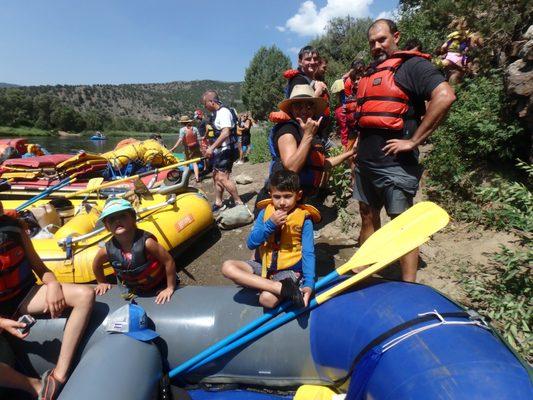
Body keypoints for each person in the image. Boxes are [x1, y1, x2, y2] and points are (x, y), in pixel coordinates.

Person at [353, 19, 456, 282]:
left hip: (396, 166)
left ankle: (409, 285)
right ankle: (365, 273)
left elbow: (445, 96)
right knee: (367, 216)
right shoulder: (370, 72)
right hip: (365, 164)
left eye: (382, 39)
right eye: (372, 42)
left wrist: (414, 141)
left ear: (395, 36)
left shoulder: (413, 66)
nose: (377, 46)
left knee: (403, 226)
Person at [0, 201, 94, 400]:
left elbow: (41, 269)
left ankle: (58, 376)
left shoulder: (14, 230)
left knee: (84, 295)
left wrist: (52, 285)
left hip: (22, 296)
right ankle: (35, 386)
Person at [222, 170, 320, 308]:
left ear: (298, 195)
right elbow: (251, 243)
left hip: (288, 270)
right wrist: (270, 225)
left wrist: (309, 284)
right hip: (263, 266)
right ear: (270, 195)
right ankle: (279, 288)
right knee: (227, 267)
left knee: (266, 299)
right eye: (277, 197)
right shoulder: (265, 213)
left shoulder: (305, 219)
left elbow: (308, 253)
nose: (281, 202)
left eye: (287, 196)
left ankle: (276, 286)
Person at [254, 85, 355, 215]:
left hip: (296, 202)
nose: (304, 110)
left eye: (309, 106)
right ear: (291, 109)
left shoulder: (309, 131)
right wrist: (308, 136)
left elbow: (322, 164)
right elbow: (291, 168)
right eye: (298, 106)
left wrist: (350, 153)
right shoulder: (287, 130)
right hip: (278, 205)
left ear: (313, 109)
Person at [92, 198, 177, 304]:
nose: (117, 221)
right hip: (133, 288)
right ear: (107, 226)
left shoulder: (147, 243)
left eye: (122, 216)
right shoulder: (106, 250)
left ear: (133, 218)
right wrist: (101, 282)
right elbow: (96, 265)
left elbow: (168, 261)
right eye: (112, 219)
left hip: (160, 283)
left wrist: (170, 287)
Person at [202, 90, 243, 211]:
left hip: (227, 150)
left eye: (205, 104)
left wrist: (212, 148)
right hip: (221, 150)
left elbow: (225, 133)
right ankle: (218, 202)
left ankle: (238, 202)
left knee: (222, 177)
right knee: (215, 176)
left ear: (211, 101)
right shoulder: (217, 113)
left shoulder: (223, 112)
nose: (205, 107)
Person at [170, 115, 202, 182]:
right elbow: (199, 139)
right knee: (194, 162)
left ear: (182, 123)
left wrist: (173, 148)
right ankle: (197, 178)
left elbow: (180, 139)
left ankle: (185, 177)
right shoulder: (195, 128)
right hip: (195, 147)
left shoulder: (182, 130)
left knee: (186, 163)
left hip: (187, 148)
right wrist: (200, 147)